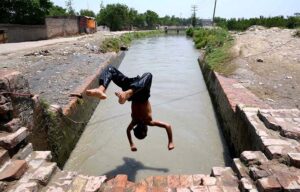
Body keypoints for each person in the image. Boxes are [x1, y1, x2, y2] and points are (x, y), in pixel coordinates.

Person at [86, 65, 174, 151]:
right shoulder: (146, 121)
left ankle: (101, 90)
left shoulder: (137, 121)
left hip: (132, 89)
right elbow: (167, 126)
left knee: (110, 69)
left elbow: (167, 126)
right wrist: (170, 142)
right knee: (148, 75)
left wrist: (132, 144)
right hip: (138, 90)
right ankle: (115, 92)